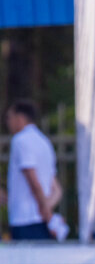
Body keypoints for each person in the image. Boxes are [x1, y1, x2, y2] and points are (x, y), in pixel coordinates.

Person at [5, 100, 58, 241]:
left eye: (9, 117)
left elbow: (33, 180)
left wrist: (43, 208)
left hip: (24, 218)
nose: (7, 122)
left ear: (20, 118)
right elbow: (57, 189)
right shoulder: (44, 142)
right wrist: (48, 210)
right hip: (42, 219)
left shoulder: (20, 140)